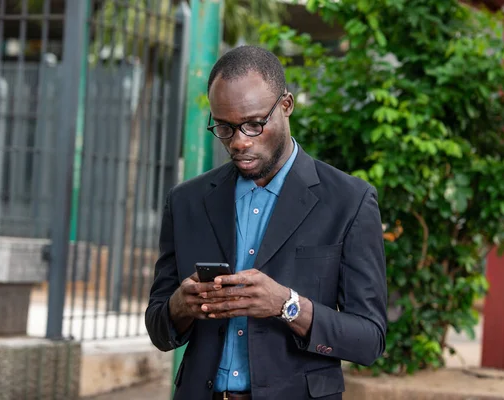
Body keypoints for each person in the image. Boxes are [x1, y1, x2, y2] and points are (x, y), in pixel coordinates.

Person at [145, 45, 387, 400]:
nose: (240, 142)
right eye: (225, 128)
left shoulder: (350, 201)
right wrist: (181, 305)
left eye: (254, 124)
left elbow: (369, 340)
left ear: (286, 106)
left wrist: (287, 305)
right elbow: (158, 329)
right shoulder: (186, 202)